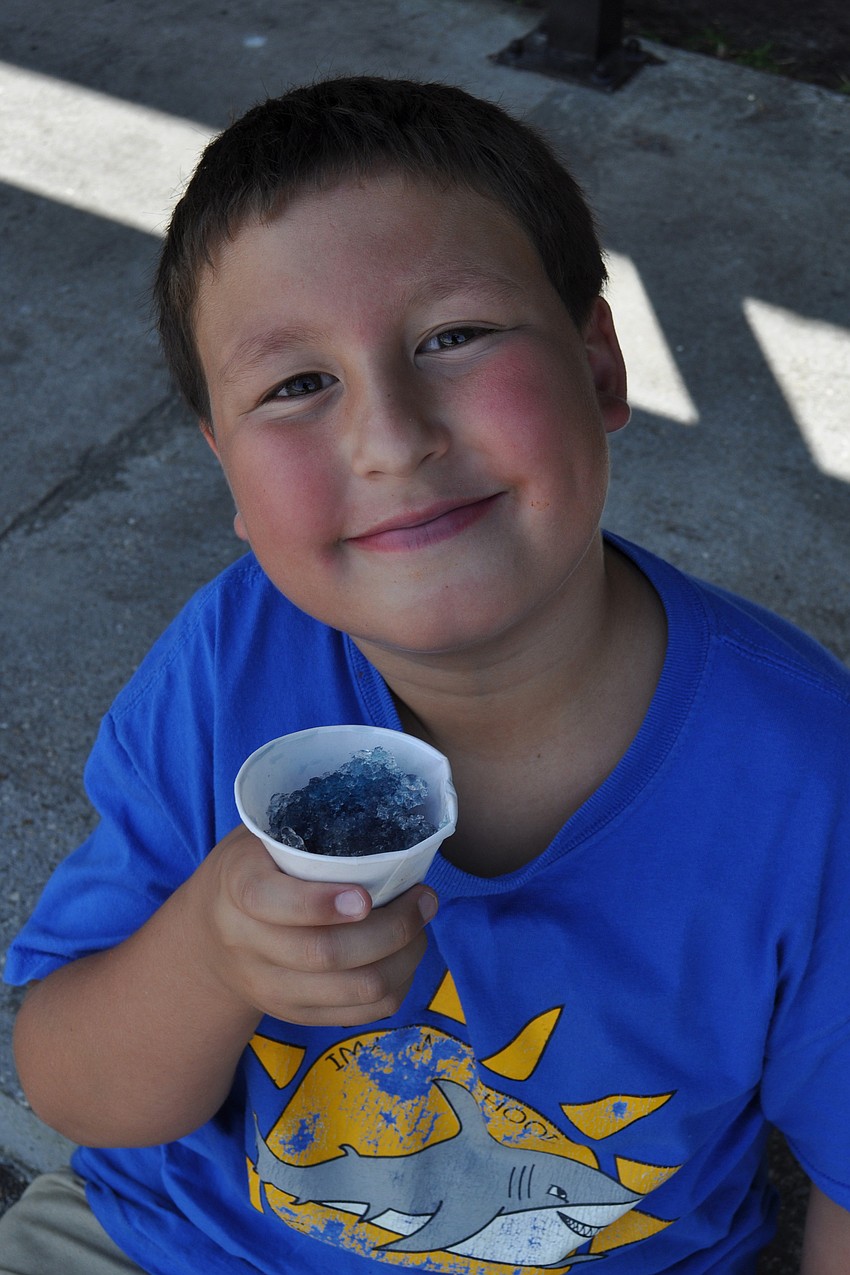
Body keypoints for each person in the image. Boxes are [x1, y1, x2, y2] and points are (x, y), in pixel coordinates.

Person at [2, 75, 850, 1275]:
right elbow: (76, 1089)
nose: (391, 435)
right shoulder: (224, 665)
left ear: (600, 367)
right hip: (174, 1245)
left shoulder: (811, 782)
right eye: (296, 385)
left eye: (453, 336)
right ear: (228, 482)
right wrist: (209, 953)